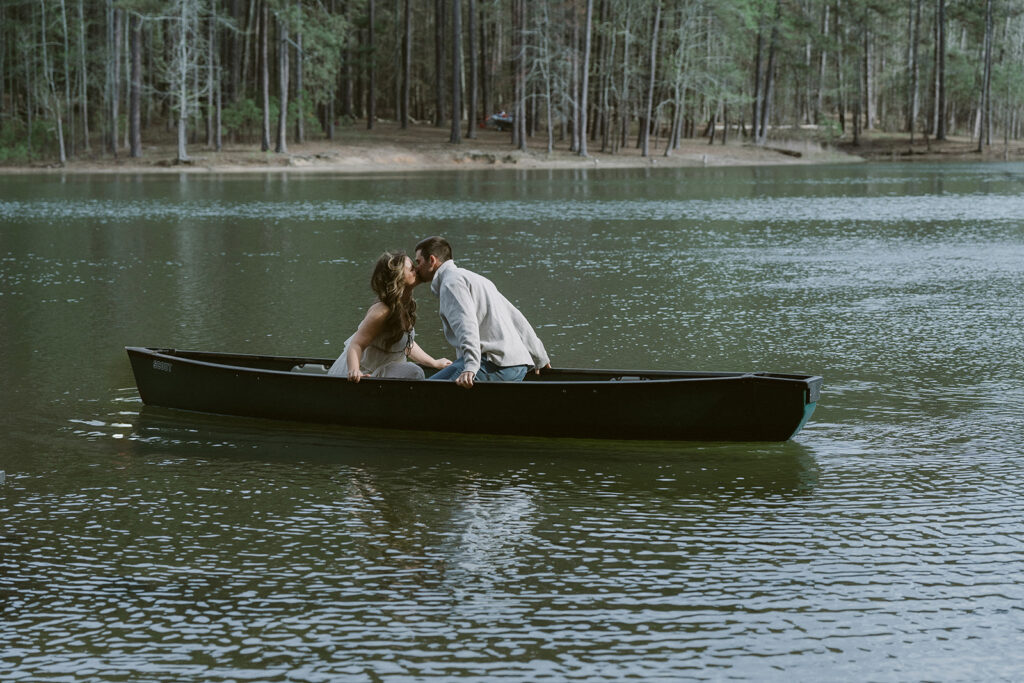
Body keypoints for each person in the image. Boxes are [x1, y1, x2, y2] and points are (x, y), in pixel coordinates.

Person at [413, 236, 550, 389]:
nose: (416, 268)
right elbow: (516, 318)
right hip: (518, 366)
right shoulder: (476, 278)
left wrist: (471, 366)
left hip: (494, 364)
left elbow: (466, 325)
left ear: (432, 260)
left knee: (423, 391)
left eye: (418, 262)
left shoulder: (451, 283)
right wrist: (540, 357)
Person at [328, 250, 452, 381]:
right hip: (364, 374)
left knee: (414, 372)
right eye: (412, 269)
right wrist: (354, 370)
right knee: (415, 372)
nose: (417, 270)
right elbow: (356, 344)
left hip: (384, 372)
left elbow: (407, 344)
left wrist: (434, 363)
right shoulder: (382, 311)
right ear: (397, 278)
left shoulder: (406, 305)